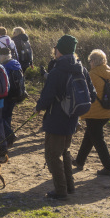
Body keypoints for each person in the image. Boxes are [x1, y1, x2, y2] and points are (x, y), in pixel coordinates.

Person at [35, 35, 86, 200]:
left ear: (60, 50)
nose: (54, 50)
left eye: (56, 48)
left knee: (52, 154)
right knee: (64, 151)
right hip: (73, 117)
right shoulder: (80, 68)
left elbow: (47, 95)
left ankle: (61, 190)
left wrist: (39, 107)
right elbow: (90, 93)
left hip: (56, 118)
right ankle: (69, 186)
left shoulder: (57, 71)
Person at [74, 49, 110, 175]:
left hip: (94, 112)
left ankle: (109, 167)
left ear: (93, 61)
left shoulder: (91, 75)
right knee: (90, 135)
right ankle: (79, 161)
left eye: (90, 61)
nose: (89, 63)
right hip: (109, 110)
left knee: (98, 139)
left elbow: (85, 93)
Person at [0, 47, 25, 148]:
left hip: (7, 95)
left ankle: (10, 135)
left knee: (0, 116)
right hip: (17, 94)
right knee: (8, 116)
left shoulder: (5, 66)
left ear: (3, 56)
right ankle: (8, 139)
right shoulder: (16, 63)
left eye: (0, 55)